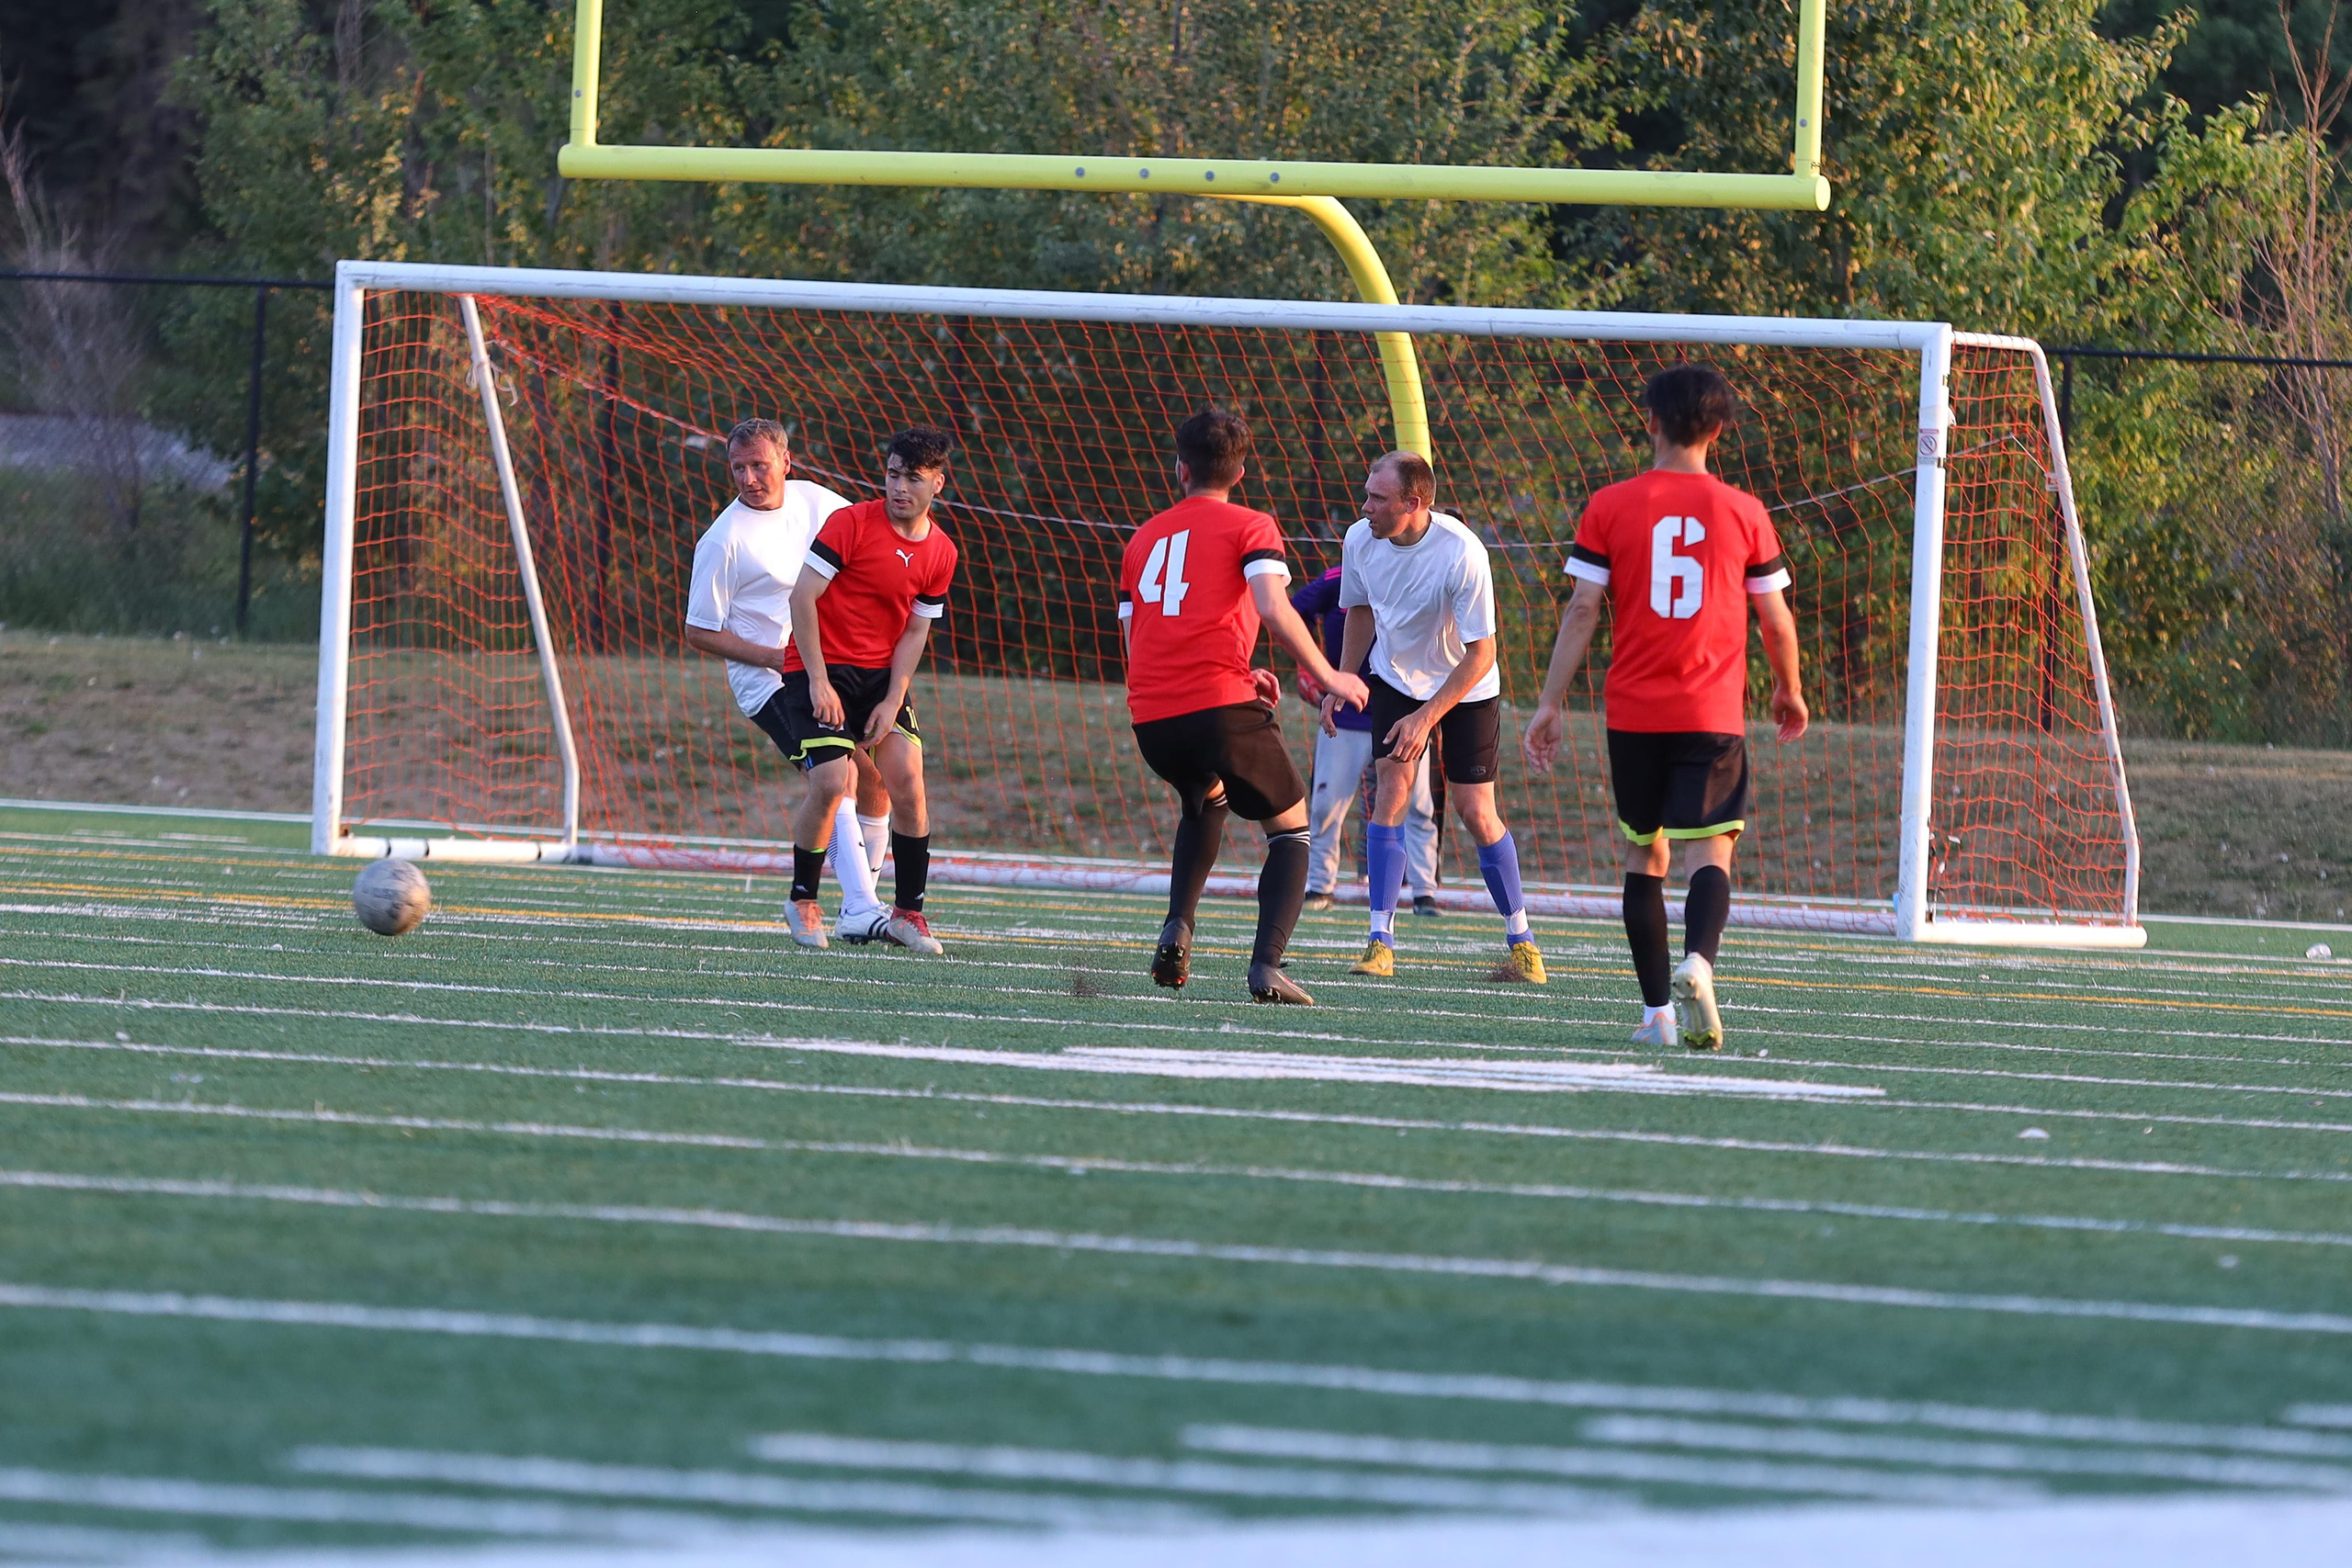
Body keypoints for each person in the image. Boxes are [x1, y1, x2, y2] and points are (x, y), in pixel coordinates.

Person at [1522, 364, 1808, 1050]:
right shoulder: (1746, 511)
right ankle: (1699, 961)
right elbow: (1774, 619)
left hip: (1634, 714)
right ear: (1719, 430)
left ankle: (1656, 1015)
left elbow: (1584, 607)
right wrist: (1788, 687)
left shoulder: (1610, 504)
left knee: (1642, 854)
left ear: (1649, 421)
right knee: (1711, 850)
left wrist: (1550, 702)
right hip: (1711, 712)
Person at [1120, 408, 1369, 1005]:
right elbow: (1275, 606)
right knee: (1292, 829)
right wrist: (1332, 675)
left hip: (1151, 716)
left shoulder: (1143, 537)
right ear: (1241, 469)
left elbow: (1134, 639)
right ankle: (1267, 966)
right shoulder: (1252, 525)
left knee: (1208, 799)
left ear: (1180, 468)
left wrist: (1233, 668)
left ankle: (1178, 922)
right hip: (1219, 705)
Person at [1329, 452, 1544, 983]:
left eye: (1378, 498)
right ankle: (1380, 940)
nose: (1366, 506)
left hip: (1465, 685)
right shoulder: (1360, 539)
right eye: (1367, 494)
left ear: (1414, 503)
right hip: (1396, 679)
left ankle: (1522, 939)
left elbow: (1482, 654)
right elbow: (1358, 609)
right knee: (1391, 791)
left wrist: (1427, 719)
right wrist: (1343, 679)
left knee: (1475, 810)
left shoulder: (1461, 552)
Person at [682, 418, 896, 942]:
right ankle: (856, 905)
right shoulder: (723, 539)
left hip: (828, 667)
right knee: (835, 777)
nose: (750, 478)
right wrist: (775, 658)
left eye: (759, 465)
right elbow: (698, 631)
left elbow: (864, 549)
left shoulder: (815, 502)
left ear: (786, 462)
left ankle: (856, 905)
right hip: (770, 683)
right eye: (738, 468)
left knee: (876, 783)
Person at [779, 425, 962, 955]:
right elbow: (801, 599)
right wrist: (817, 679)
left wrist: (892, 696)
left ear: (938, 485)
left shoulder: (941, 553)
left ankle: (908, 913)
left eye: (914, 479)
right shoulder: (851, 524)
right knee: (833, 779)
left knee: (908, 783)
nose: (900, 488)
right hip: (818, 668)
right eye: (893, 475)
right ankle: (802, 899)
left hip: (880, 679)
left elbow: (914, 630)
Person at [1290, 565, 1443, 915]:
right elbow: (1292, 612)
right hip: (1345, 712)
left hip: (1405, 712)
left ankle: (1424, 892)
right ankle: (1320, 886)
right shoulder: (1337, 577)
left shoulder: (1421, 572)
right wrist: (1311, 669)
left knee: (1418, 806)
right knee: (1326, 805)